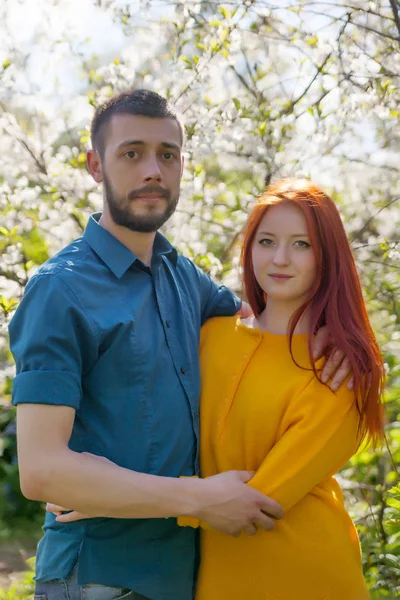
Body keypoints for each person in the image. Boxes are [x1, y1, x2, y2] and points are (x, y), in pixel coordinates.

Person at [9, 89, 349, 600]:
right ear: (95, 166)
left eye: (168, 154)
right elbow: (41, 472)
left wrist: (332, 337)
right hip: (100, 576)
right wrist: (198, 497)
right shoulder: (60, 289)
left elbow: (260, 321)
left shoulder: (184, 277)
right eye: (132, 153)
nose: (153, 170)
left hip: (187, 575)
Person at [176, 179, 384, 599]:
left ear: (329, 256)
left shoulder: (338, 370)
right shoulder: (209, 335)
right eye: (266, 241)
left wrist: (116, 502)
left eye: (302, 244)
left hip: (308, 577)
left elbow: (254, 504)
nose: (280, 259)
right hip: (215, 576)